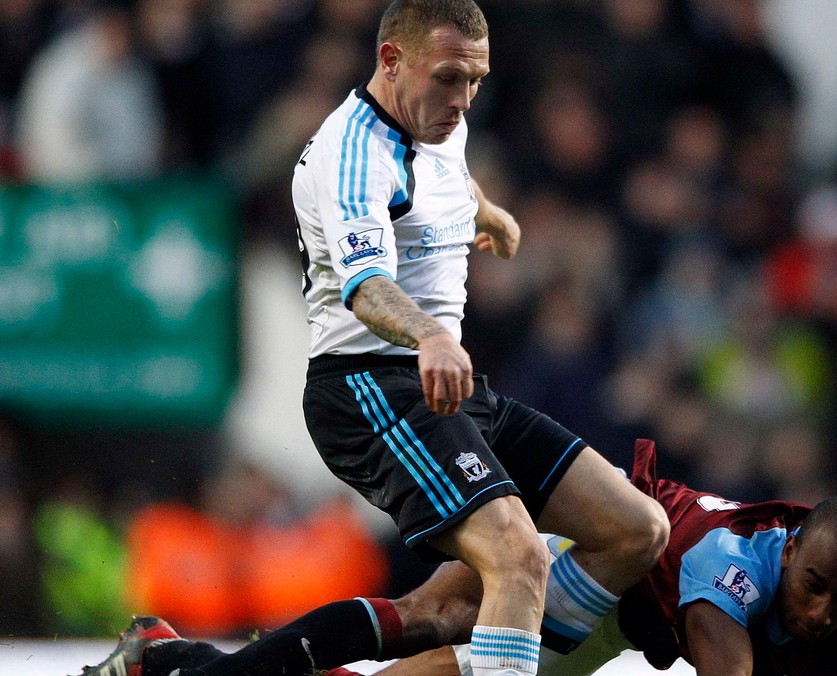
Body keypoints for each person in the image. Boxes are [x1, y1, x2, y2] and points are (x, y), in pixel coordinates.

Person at [78, 2, 667, 675]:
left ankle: (175, 664)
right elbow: (367, 286)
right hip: (370, 387)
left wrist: (487, 212)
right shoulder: (351, 153)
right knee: (517, 559)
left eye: (476, 80)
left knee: (635, 529)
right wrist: (430, 337)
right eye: (451, 79)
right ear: (391, 60)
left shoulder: (440, 114)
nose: (465, 99)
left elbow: (442, 172)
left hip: (446, 388)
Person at [376, 438, 837, 676]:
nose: (826, 611)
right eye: (815, 584)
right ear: (791, 550)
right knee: (455, 642)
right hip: (609, 581)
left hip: (630, 620)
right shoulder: (732, 566)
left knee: (441, 626)